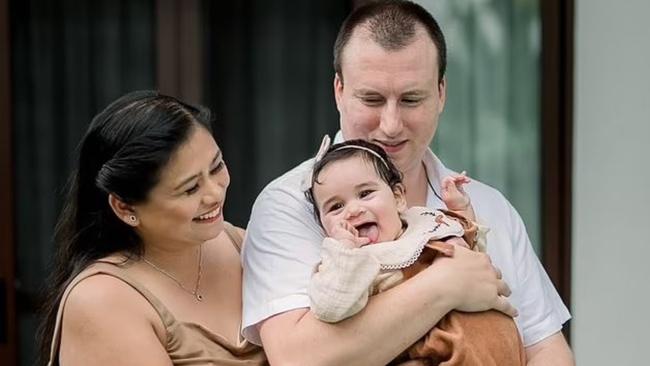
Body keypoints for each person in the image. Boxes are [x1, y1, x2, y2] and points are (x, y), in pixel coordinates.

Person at [242, 1, 573, 365]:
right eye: (372, 99)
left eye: (411, 99)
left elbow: (545, 347)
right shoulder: (289, 205)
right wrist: (447, 285)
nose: (390, 124)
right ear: (338, 91)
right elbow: (299, 358)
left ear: (442, 93)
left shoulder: (486, 204)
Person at [38, 91, 267, 365]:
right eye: (190, 188)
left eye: (216, 166)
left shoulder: (240, 244)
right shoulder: (102, 301)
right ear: (126, 208)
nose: (214, 194)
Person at [305, 138, 526, 365]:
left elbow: (472, 257)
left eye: (365, 193)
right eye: (336, 207)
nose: (353, 210)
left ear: (399, 198)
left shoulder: (422, 225)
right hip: (431, 352)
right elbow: (332, 306)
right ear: (323, 227)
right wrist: (345, 252)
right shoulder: (343, 262)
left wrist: (461, 209)